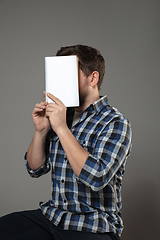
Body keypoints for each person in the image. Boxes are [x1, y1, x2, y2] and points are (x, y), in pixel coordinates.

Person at [0, 44, 132, 240]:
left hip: (93, 225)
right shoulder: (63, 115)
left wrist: (61, 128)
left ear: (93, 78)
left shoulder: (115, 122)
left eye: (69, 72)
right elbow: (34, 168)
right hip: (54, 216)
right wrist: (41, 130)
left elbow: (95, 177)